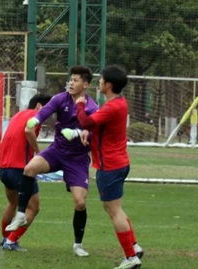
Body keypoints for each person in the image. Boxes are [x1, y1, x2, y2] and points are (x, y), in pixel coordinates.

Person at [6, 66, 98, 257]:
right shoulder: (60, 98)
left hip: (77, 159)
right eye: (70, 79)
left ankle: (78, 245)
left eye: (76, 80)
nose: (71, 83)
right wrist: (34, 121)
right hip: (57, 151)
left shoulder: (91, 107)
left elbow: (95, 134)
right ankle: (21, 215)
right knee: (30, 168)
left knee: (80, 203)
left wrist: (77, 133)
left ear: (86, 84)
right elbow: (44, 112)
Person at [63, 65, 143, 269]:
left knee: (114, 210)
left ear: (108, 85)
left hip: (110, 165)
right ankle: (134, 247)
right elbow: (98, 127)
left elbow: (86, 121)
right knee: (115, 208)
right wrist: (89, 133)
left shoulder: (112, 106)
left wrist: (80, 105)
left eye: (101, 80)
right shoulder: (118, 102)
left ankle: (130, 257)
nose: (98, 82)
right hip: (118, 162)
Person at [0, 93, 52, 251]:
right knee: (33, 208)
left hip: (4, 168)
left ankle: (4, 238)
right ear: (39, 106)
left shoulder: (18, 115)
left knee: (13, 203)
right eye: (50, 108)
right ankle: (11, 241)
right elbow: (28, 132)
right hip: (20, 169)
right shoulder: (36, 116)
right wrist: (38, 151)